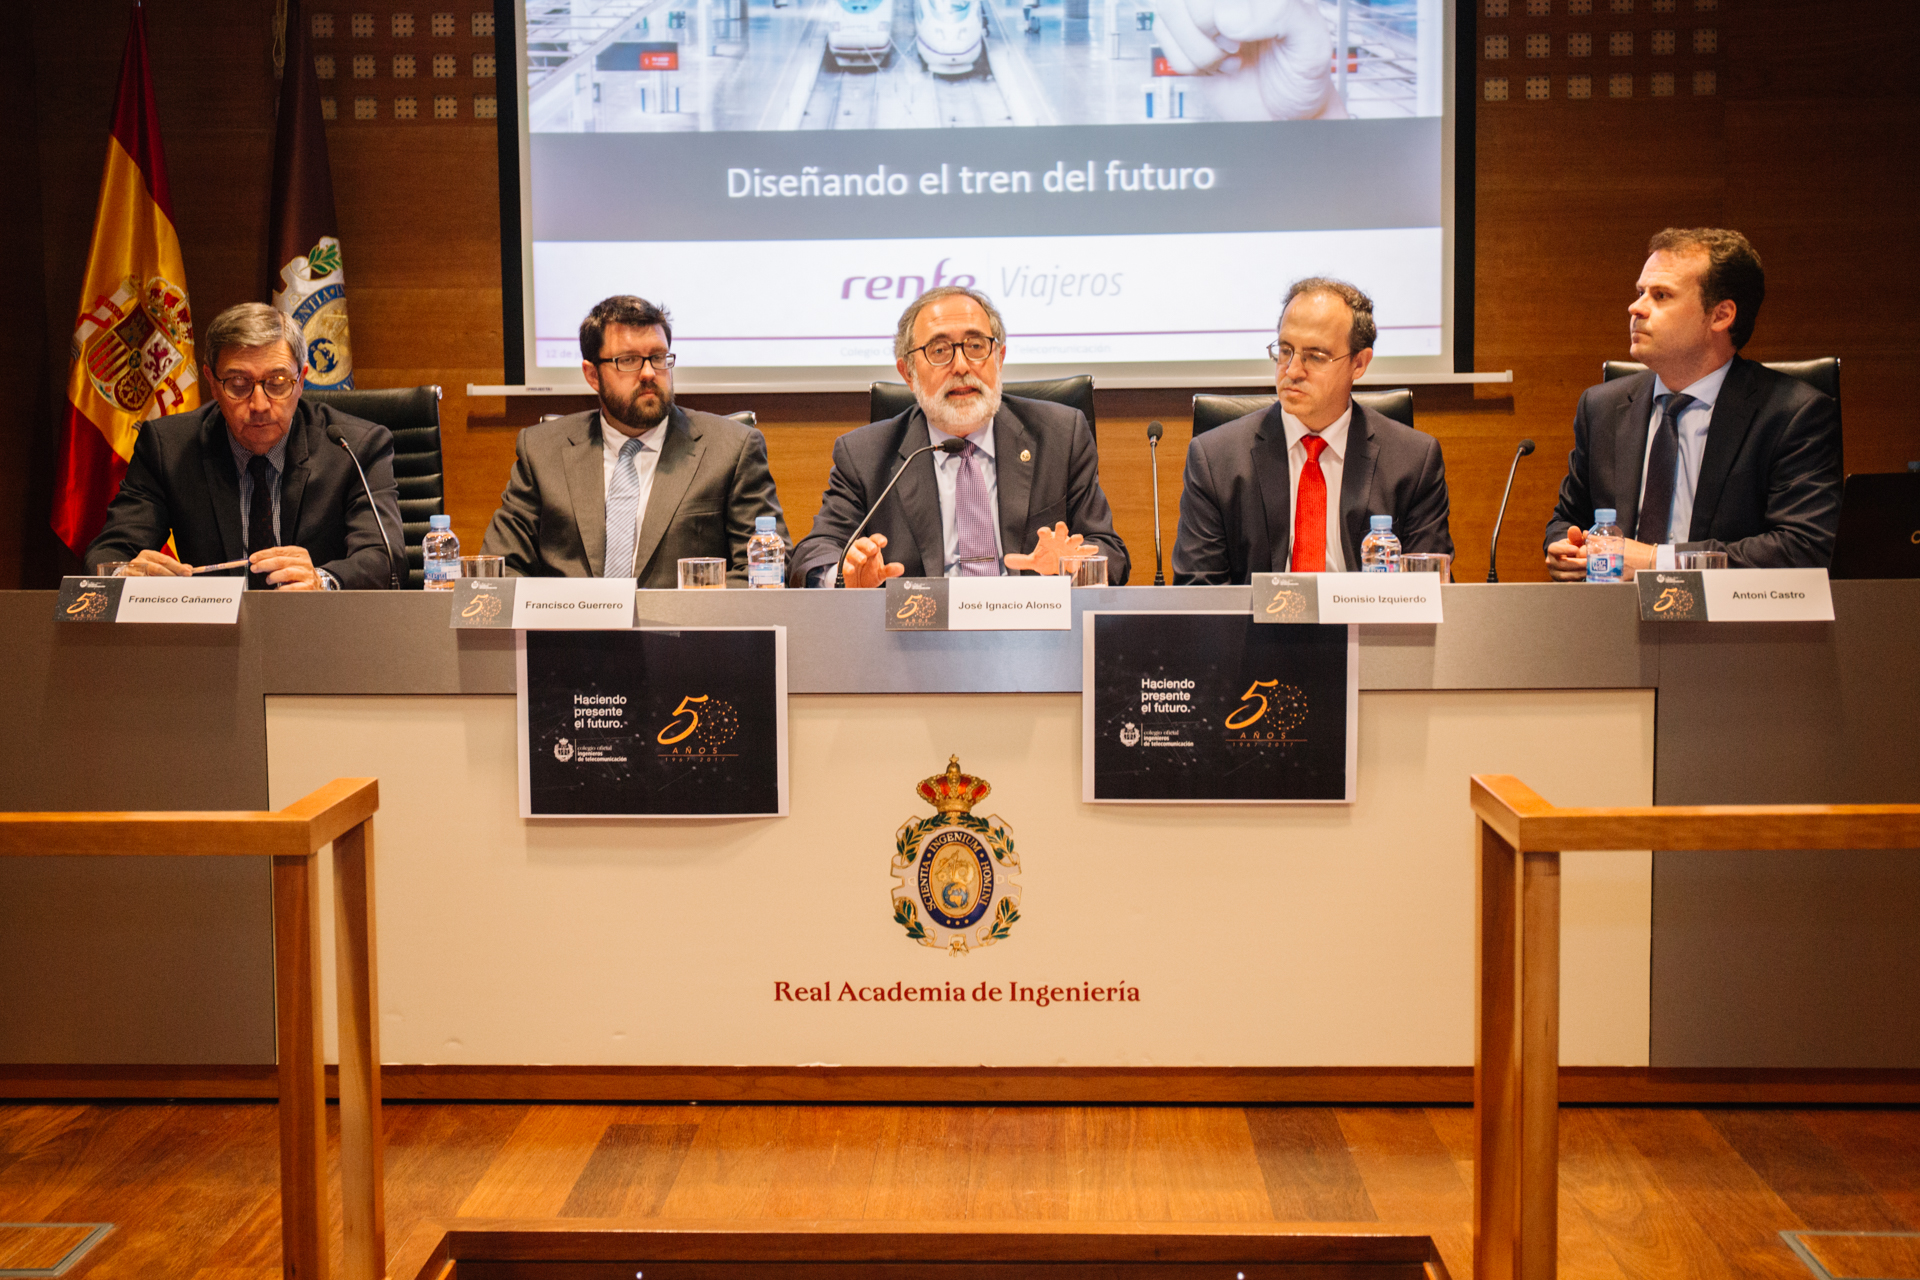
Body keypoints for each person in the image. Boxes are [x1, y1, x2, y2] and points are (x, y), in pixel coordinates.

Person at [1544, 228, 1841, 579]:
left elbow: (1801, 548)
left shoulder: (1792, 415)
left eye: (1661, 295)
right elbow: (1568, 519)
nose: (1635, 307)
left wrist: (1656, 561)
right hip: (1614, 609)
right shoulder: (1602, 407)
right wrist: (1565, 547)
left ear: (1721, 315)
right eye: (1640, 292)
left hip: (1729, 614)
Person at [788, 286, 1129, 587]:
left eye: (976, 346)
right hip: (917, 634)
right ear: (908, 373)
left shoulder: (1060, 436)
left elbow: (1111, 553)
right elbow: (813, 555)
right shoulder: (865, 455)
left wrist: (1072, 565)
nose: (962, 366)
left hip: (1034, 630)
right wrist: (843, 576)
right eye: (939, 351)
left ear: (999, 358)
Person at [87, 302, 402, 590]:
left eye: (277, 383)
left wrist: (323, 581)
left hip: (318, 628)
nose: (260, 404)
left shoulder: (353, 448)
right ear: (212, 382)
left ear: (301, 380)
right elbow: (108, 552)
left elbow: (385, 558)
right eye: (238, 384)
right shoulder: (168, 447)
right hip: (212, 630)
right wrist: (122, 574)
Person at [482, 295, 788, 584]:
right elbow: (501, 568)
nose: (649, 373)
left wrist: (688, 608)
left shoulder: (732, 449)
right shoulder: (541, 451)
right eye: (628, 360)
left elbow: (767, 570)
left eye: (658, 357)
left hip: (685, 623)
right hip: (572, 623)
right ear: (592, 375)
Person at [1172, 278, 1453, 583]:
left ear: (1359, 363)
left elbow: (1430, 591)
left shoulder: (1413, 461)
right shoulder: (1215, 460)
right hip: (1258, 617)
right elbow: (1200, 594)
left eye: (1316, 356)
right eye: (1285, 350)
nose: (1292, 371)